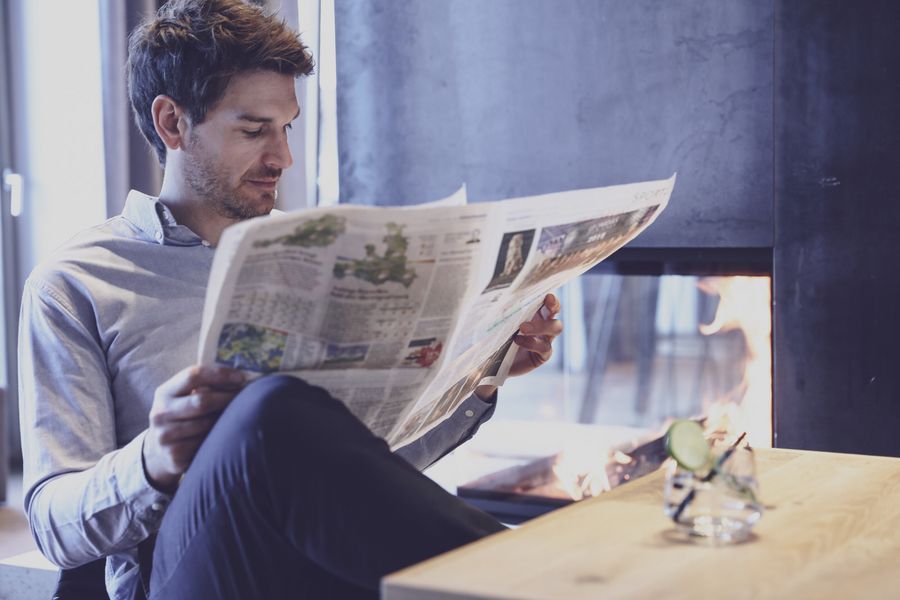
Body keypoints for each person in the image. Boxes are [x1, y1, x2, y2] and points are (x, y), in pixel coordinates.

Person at [17, 1, 563, 599]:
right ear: (173, 123)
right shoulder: (76, 283)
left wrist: (481, 377)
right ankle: (550, 582)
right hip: (186, 575)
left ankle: (542, 580)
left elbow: (357, 481)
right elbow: (52, 524)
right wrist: (152, 459)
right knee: (268, 408)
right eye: (254, 131)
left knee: (285, 420)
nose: (283, 158)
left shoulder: (321, 256)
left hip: (313, 565)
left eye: (287, 128)